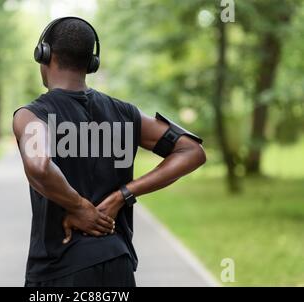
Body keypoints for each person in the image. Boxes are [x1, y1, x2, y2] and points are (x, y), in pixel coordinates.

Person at [13, 17, 206, 287]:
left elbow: (40, 167)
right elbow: (192, 150)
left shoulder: (32, 116)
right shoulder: (125, 113)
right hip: (118, 263)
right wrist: (123, 195)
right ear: (91, 63)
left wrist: (79, 207)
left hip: (60, 270)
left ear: (44, 55)